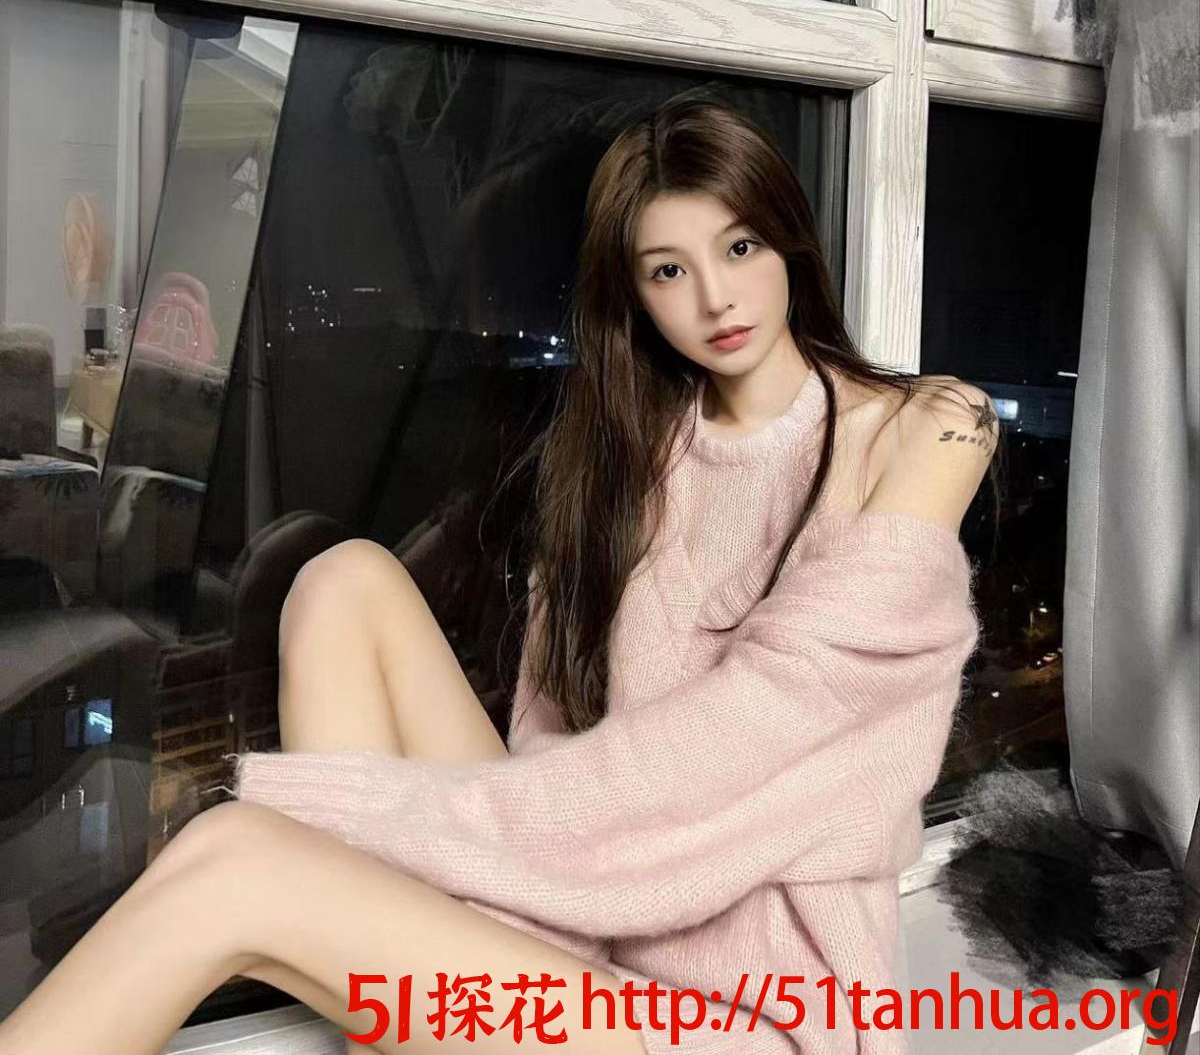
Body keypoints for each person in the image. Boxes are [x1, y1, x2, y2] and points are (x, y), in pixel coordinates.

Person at [0, 95, 999, 1054]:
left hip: (756, 1021)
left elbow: (732, 744)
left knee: (238, 866)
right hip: (598, 950)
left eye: (739, 247)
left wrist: (368, 809)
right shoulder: (640, 457)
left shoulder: (930, 428)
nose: (716, 297)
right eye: (668, 269)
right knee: (344, 578)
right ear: (634, 294)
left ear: (788, 239)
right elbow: (551, 729)